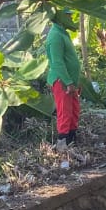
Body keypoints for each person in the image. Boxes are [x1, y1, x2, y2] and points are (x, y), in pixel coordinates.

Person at [45, 13, 81, 168]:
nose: (71, 18)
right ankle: (62, 144)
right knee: (64, 111)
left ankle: (71, 141)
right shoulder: (55, 36)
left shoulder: (62, 33)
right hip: (61, 81)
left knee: (74, 110)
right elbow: (57, 62)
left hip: (69, 82)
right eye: (69, 16)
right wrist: (68, 82)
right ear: (60, 17)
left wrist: (75, 82)